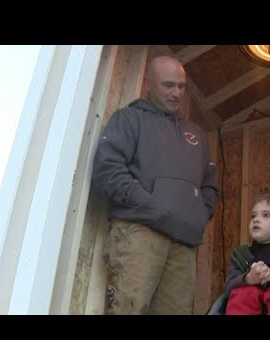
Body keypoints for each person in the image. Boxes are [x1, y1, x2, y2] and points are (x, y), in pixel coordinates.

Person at [92, 55, 218, 315]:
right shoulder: (128, 119)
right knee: (129, 309)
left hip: (184, 241)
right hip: (140, 231)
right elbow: (108, 169)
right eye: (168, 85)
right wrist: (150, 203)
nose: (176, 93)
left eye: (181, 87)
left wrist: (199, 214)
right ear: (149, 84)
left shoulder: (197, 135)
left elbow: (209, 184)